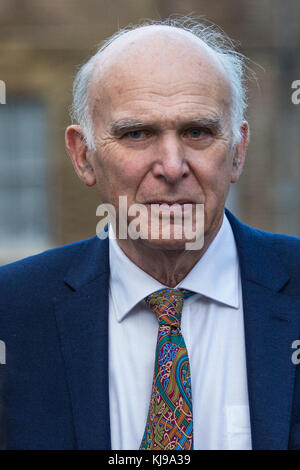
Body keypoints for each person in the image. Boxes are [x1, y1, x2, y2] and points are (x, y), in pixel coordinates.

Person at [0, 18, 300, 450]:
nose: (172, 166)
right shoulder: (12, 314)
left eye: (198, 132)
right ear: (84, 156)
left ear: (237, 151)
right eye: (137, 134)